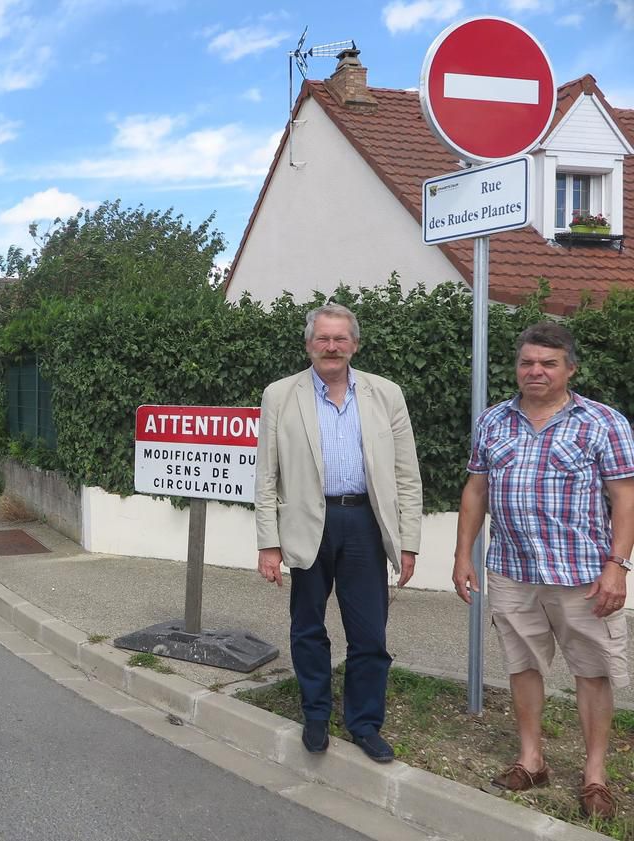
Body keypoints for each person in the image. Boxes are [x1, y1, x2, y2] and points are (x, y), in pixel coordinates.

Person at [453, 321, 634, 819]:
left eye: (548, 363)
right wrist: (462, 554)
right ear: (517, 367)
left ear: (570, 369)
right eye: (527, 362)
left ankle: (595, 776)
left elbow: (625, 498)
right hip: (512, 570)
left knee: (594, 671)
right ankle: (531, 760)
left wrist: (618, 566)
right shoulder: (493, 421)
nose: (536, 371)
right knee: (522, 665)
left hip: (584, 575)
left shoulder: (603, 423)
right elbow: (476, 490)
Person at [255, 303, 423, 763]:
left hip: (365, 524)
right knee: (308, 627)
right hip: (308, 523)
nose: (331, 347)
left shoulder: (385, 394)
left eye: (340, 339)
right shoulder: (280, 395)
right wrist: (268, 543)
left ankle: (365, 723)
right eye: (323, 339)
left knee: (370, 633)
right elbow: (266, 475)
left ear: (355, 344)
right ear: (309, 344)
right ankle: (315, 713)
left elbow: (407, 474)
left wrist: (408, 542)